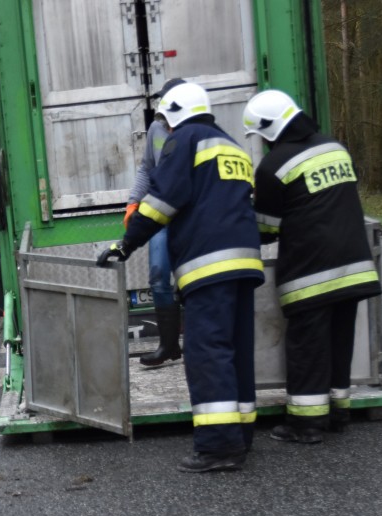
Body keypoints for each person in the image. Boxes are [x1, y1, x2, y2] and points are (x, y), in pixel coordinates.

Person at [99, 83, 264, 472]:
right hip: (245, 266)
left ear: (172, 113)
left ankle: (218, 448)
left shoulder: (183, 141)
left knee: (207, 353)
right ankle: (241, 437)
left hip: (209, 267)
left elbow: (162, 202)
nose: (164, 126)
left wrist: (126, 244)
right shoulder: (232, 147)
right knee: (237, 353)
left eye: (163, 118)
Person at [244, 90, 382, 444]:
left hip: (310, 275)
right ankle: (338, 412)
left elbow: (267, 229)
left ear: (269, 129)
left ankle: (306, 425)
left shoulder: (274, 166)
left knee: (308, 349)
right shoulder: (334, 148)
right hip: (355, 267)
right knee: (339, 343)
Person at [126, 77, 187, 366]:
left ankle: (197, 340)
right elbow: (146, 169)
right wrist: (133, 201)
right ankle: (168, 346)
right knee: (158, 274)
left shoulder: (194, 132)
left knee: (191, 278)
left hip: (188, 214)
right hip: (160, 212)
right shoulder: (156, 129)